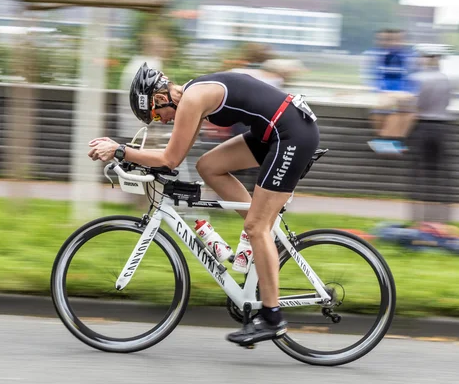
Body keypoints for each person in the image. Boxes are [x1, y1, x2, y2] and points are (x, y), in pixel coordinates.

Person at [88, 63, 320, 346]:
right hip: (274, 132)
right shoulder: (191, 96)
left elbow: (169, 160)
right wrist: (129, 156)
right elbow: (174, 155)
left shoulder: (193, 99)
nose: (160, 121)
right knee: (209, 166)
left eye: (154, 114)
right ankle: (260, 237)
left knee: (256, 225)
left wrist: (120, 150)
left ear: (160, 98)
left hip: (290, 135)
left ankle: (272, 317)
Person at [407, 44, 455, 224]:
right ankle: (440, 222)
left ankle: (418, 222)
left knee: (418, 174)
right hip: (442, 128)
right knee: (440, 175)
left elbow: (415, 106)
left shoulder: (417, 78)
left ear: (426, 58)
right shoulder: (446, 79)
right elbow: (448, 102)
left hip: (423, 127)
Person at [365, 29, 417, 155]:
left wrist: (406, 94)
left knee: (406, 113)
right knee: (395, 113)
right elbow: (373, 78)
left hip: (399, 98)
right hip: (385, 98)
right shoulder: (376, 56)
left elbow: (412, 79)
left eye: (397, 39)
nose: (393, 43)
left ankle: (389, 141)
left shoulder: (408, 56)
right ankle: (387, 141)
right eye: (389, 39)